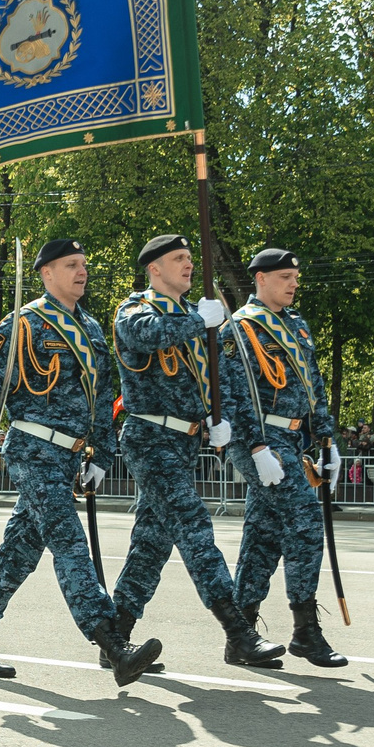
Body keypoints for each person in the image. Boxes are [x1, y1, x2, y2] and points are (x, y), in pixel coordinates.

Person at [0, 239, 157, 685]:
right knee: (69, 540)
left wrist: (102, 453)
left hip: (68, 455)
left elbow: (103, 398)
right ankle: (112, 642)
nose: (82, 271)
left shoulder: (91, 329)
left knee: (20, 550)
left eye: (84, 264)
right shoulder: (24, 323)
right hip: (32, 449)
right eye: (71, 265)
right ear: (47, 273)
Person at [110, 233, 270, 668]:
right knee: (196, 529)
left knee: (151, 545)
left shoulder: (197, 315)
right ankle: (239, 633)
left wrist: (223, 423)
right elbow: (144, 336)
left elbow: (223, 379)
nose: (187, 265)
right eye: (178, 259)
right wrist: (201, 321)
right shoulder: (138, 308)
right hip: (150, 439)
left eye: (189, 258)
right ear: (154, 269)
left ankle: (116, 637)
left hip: (185, 441)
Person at [223, 247, 346, 669]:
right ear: (260, 279)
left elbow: (314, 385)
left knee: (264, 533)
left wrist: (327, 440)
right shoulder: (239, 328)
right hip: (260, 439)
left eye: (296, 276)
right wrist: (256, 447)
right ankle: (305, 631)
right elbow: (234, 394)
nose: (294, 283)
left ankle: (241, 632)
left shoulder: (296, 325)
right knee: (305, 523)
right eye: (285, 277)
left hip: (293, 439)